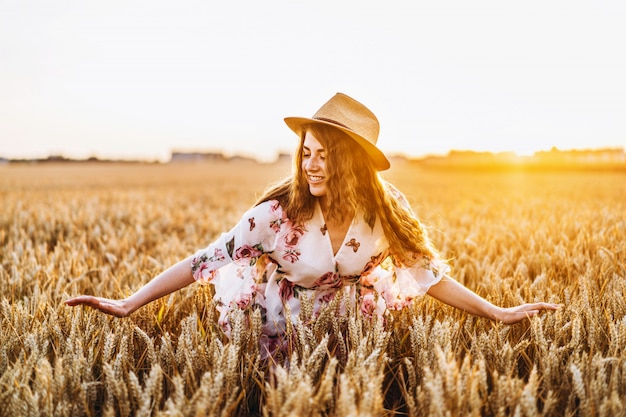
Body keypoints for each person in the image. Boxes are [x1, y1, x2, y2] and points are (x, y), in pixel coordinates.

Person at [65, 92, 560, 357]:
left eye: (324, 155)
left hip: (353, 334)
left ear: (351, 162)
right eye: (306, 153)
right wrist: (130, 303)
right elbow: (204, 261)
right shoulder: (275, 216)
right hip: (282, 335)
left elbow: (428, 275)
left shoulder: (385, 212)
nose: (311, 165)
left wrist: (498, 313)